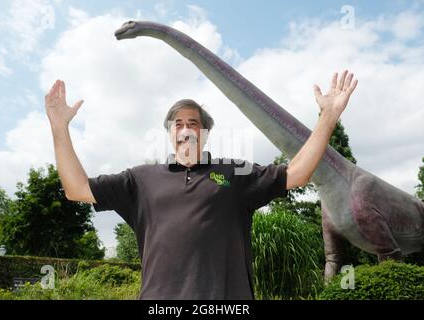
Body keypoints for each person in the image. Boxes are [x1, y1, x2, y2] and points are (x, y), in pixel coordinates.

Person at [45, 71, 358, 299]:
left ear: (205, 133)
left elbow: (296, 174)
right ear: (170, 133)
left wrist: (328, 116)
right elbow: (77, 189)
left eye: (193, 122)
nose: (185, 128)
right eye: (177, 123)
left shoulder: (233, 174)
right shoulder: (140, 180)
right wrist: (59, 128)